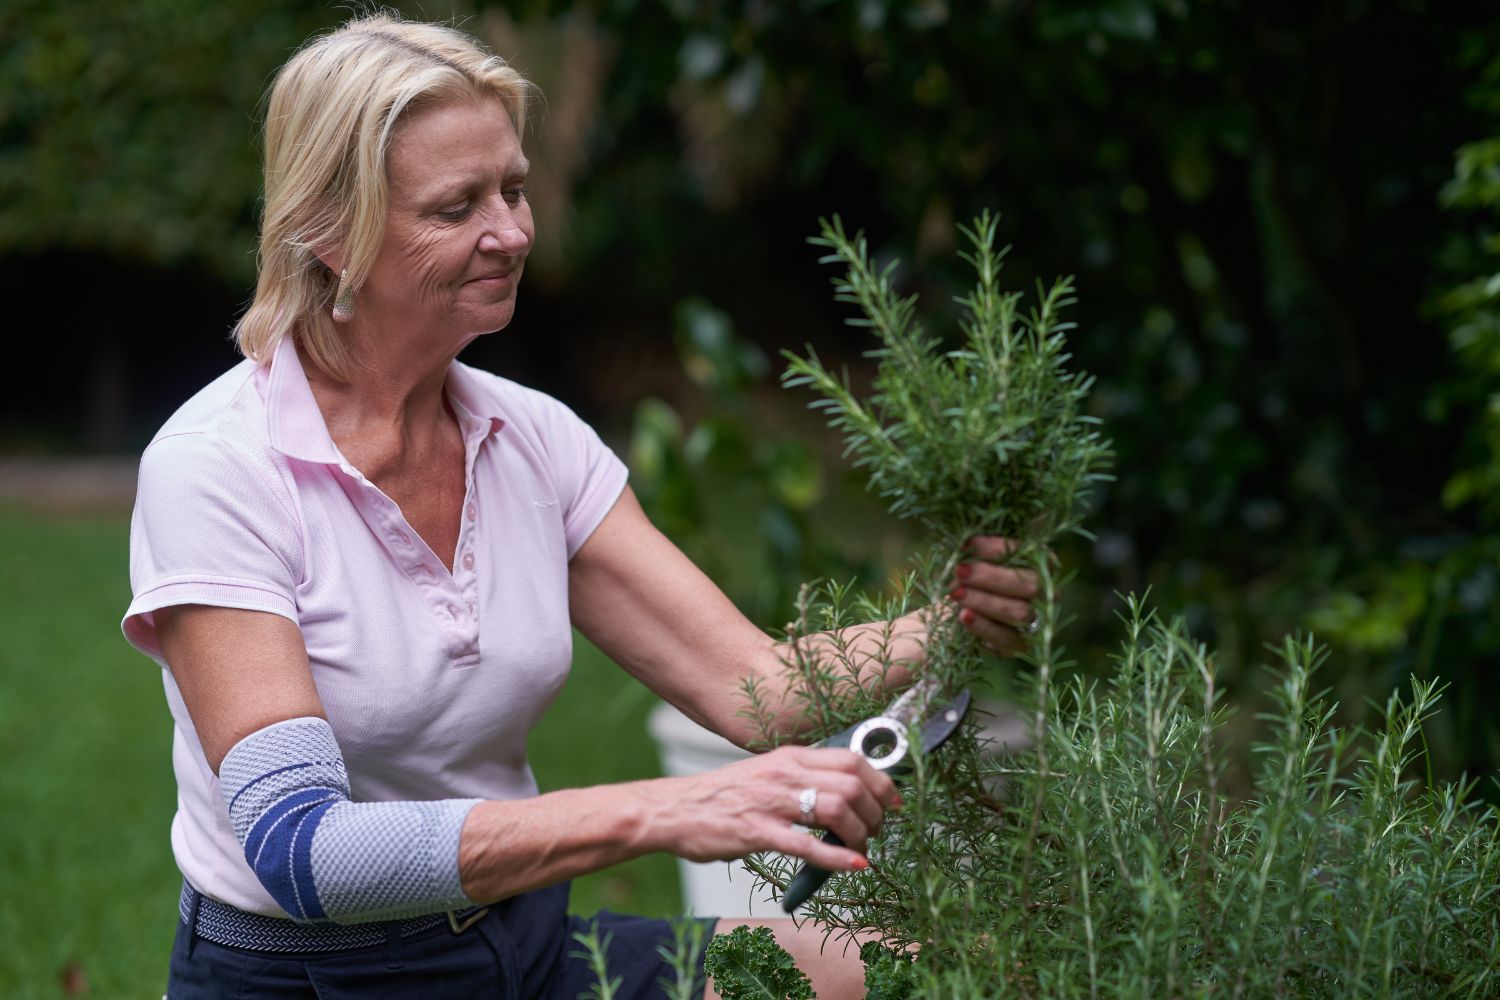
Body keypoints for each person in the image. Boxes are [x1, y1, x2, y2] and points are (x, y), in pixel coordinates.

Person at [121, 13, 1040, 999]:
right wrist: (666, 811)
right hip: (315, 977)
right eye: (456, 205)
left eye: (514, 188)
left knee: (932, 977)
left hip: (526, 951)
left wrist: (950, 620)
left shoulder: (533, 439)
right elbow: (303, 852)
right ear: (331, 235)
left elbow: (755, 690)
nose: (512, 230)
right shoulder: (220, 467)